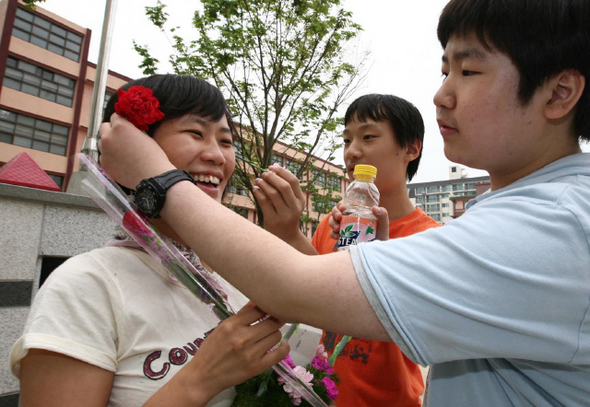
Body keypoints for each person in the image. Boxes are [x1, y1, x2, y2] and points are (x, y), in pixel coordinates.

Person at [98, 0, 590, 405]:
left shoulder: (554, 223)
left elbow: (298, 289)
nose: (442, 95)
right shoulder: (524, 212)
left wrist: (157, 179)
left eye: (469, 70)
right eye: (445, 71)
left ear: (559, 92)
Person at [9, 74, 289, 407]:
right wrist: (200, 380)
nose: (217, 156)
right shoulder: (86, 286)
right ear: (134, 148)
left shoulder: (240, 277)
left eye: (226, 142)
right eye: (195, 133)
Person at [253, 94, 440, 406]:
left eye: (368, 137)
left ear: (411, 148)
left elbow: (423, 331)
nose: (352, 152)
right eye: (346, 139)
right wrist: (287, 232)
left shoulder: (430, 239)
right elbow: (312, 287)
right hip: (317, 396)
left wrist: (377, 261)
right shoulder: (334, 222)